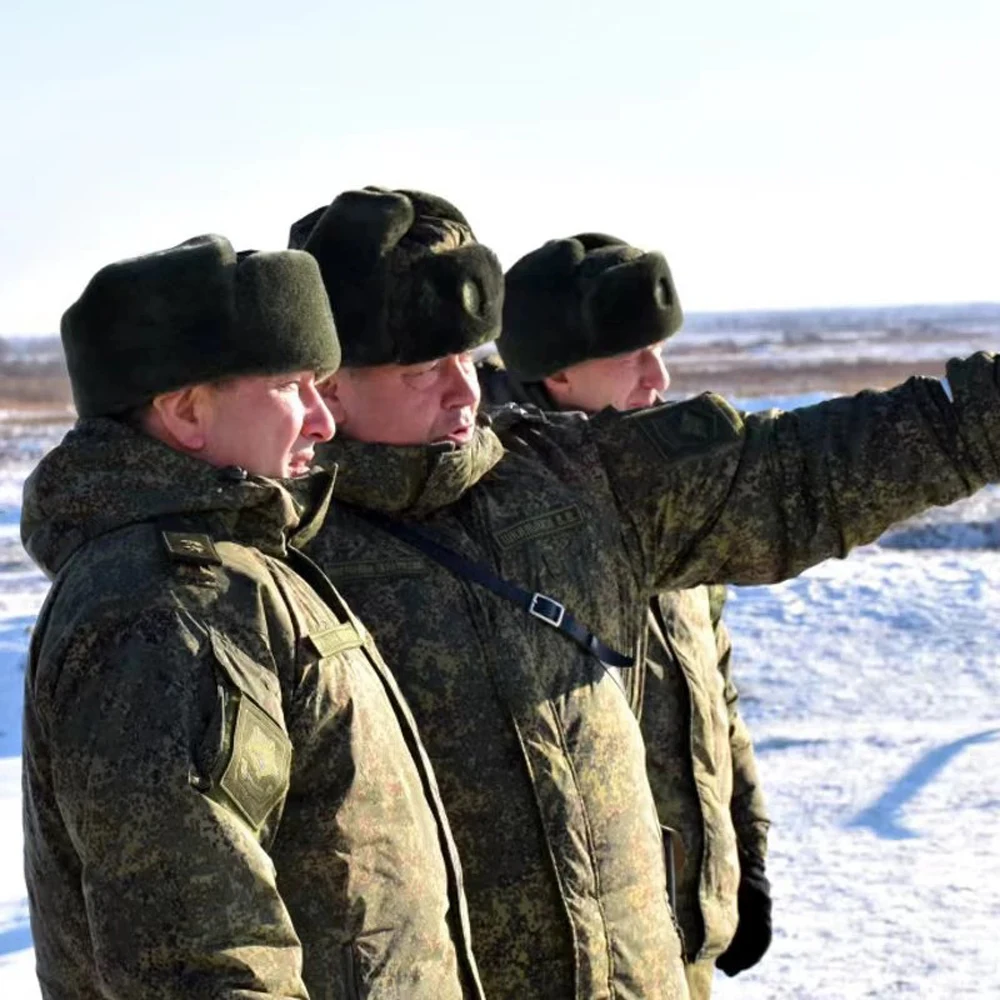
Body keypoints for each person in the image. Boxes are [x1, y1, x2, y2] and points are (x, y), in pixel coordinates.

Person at [289, 186, 1000, 1000]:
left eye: (468, 360)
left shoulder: (580, 484)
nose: (463, 393)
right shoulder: (273, 555)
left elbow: (806, 474)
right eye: (423, 371)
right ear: (327, 384)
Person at [21, 235, 483, 1000]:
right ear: (186, 410)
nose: (321, 421)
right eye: (290, 386)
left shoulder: (235, 567)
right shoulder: (166, 610)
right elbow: (202, 959)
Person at [479, 232, 770, 1000]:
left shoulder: (669, 498)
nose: (660, 377)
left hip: (686, 933)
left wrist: (748, 854)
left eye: (661, 349)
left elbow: (718, 698)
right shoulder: (492, 522)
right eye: (632, 355)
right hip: (573, 956)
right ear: (557, 370)